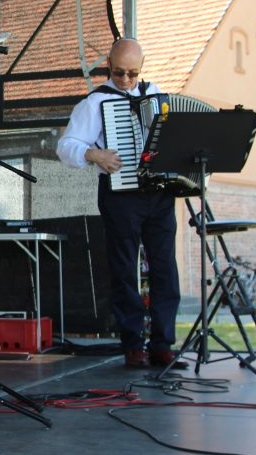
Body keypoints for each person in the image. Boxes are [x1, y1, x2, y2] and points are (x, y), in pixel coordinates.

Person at [56, 38, 182, 368]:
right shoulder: (96, 102)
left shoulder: (156, 94)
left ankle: (162, 344)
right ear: (109, 66)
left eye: (132, 73)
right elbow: (65, 146)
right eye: (119, 72)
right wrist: (92, 153)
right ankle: (133, 345)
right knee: (124, 269)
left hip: (159, 193)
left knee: (165, 268)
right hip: (120, 195)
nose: (126, 80)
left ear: (142, 69)